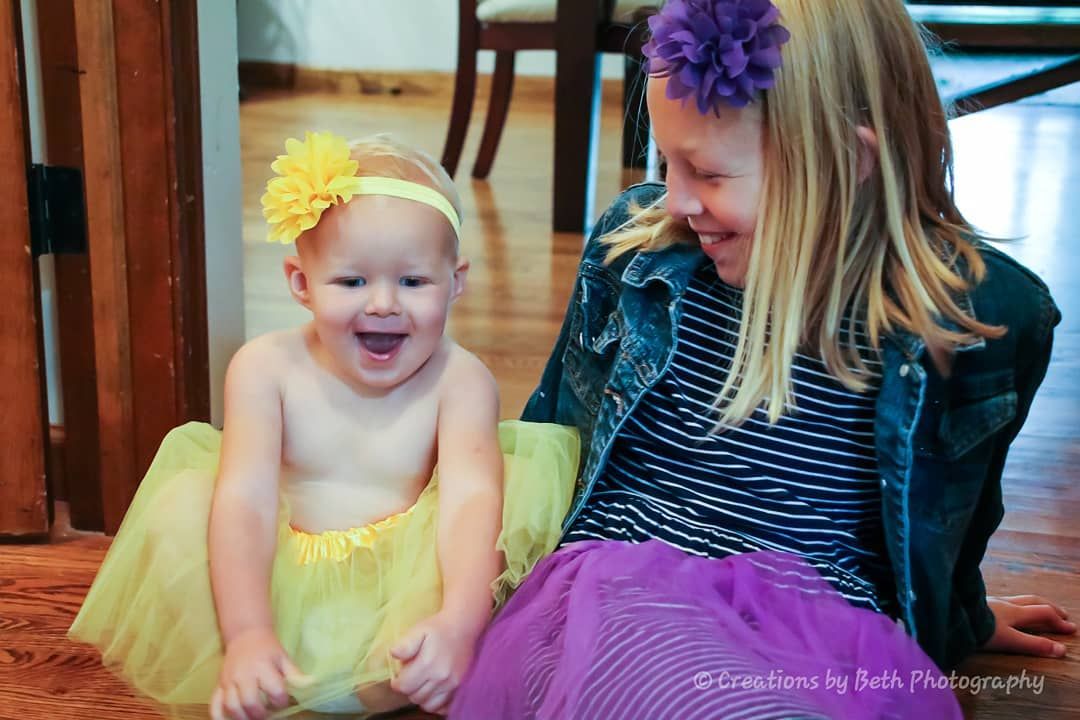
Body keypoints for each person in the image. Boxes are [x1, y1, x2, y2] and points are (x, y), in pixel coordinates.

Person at [449, 1, 1075, 718]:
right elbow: (548, 440)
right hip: (618, 598)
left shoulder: (980, 320)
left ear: (849, 162)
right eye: (665, 161)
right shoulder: (639, 253)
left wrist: (962, 616)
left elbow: (960, 511)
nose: (678, 200)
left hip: (823, 633)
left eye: (709, 173)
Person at [68, 132, 578, 719]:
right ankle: (262, 655)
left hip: (398, 583)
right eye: (352, 282)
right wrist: (247, 632)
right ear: (300, 283)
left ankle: (413, 661)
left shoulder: (460, 380)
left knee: (499, 503)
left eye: (413, 282)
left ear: (456, 282)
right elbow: (245, 500)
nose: (383, 304)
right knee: (188, 505)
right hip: (279, 574)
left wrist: (460, 624)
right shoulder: (264, 368)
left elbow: (469, 503)